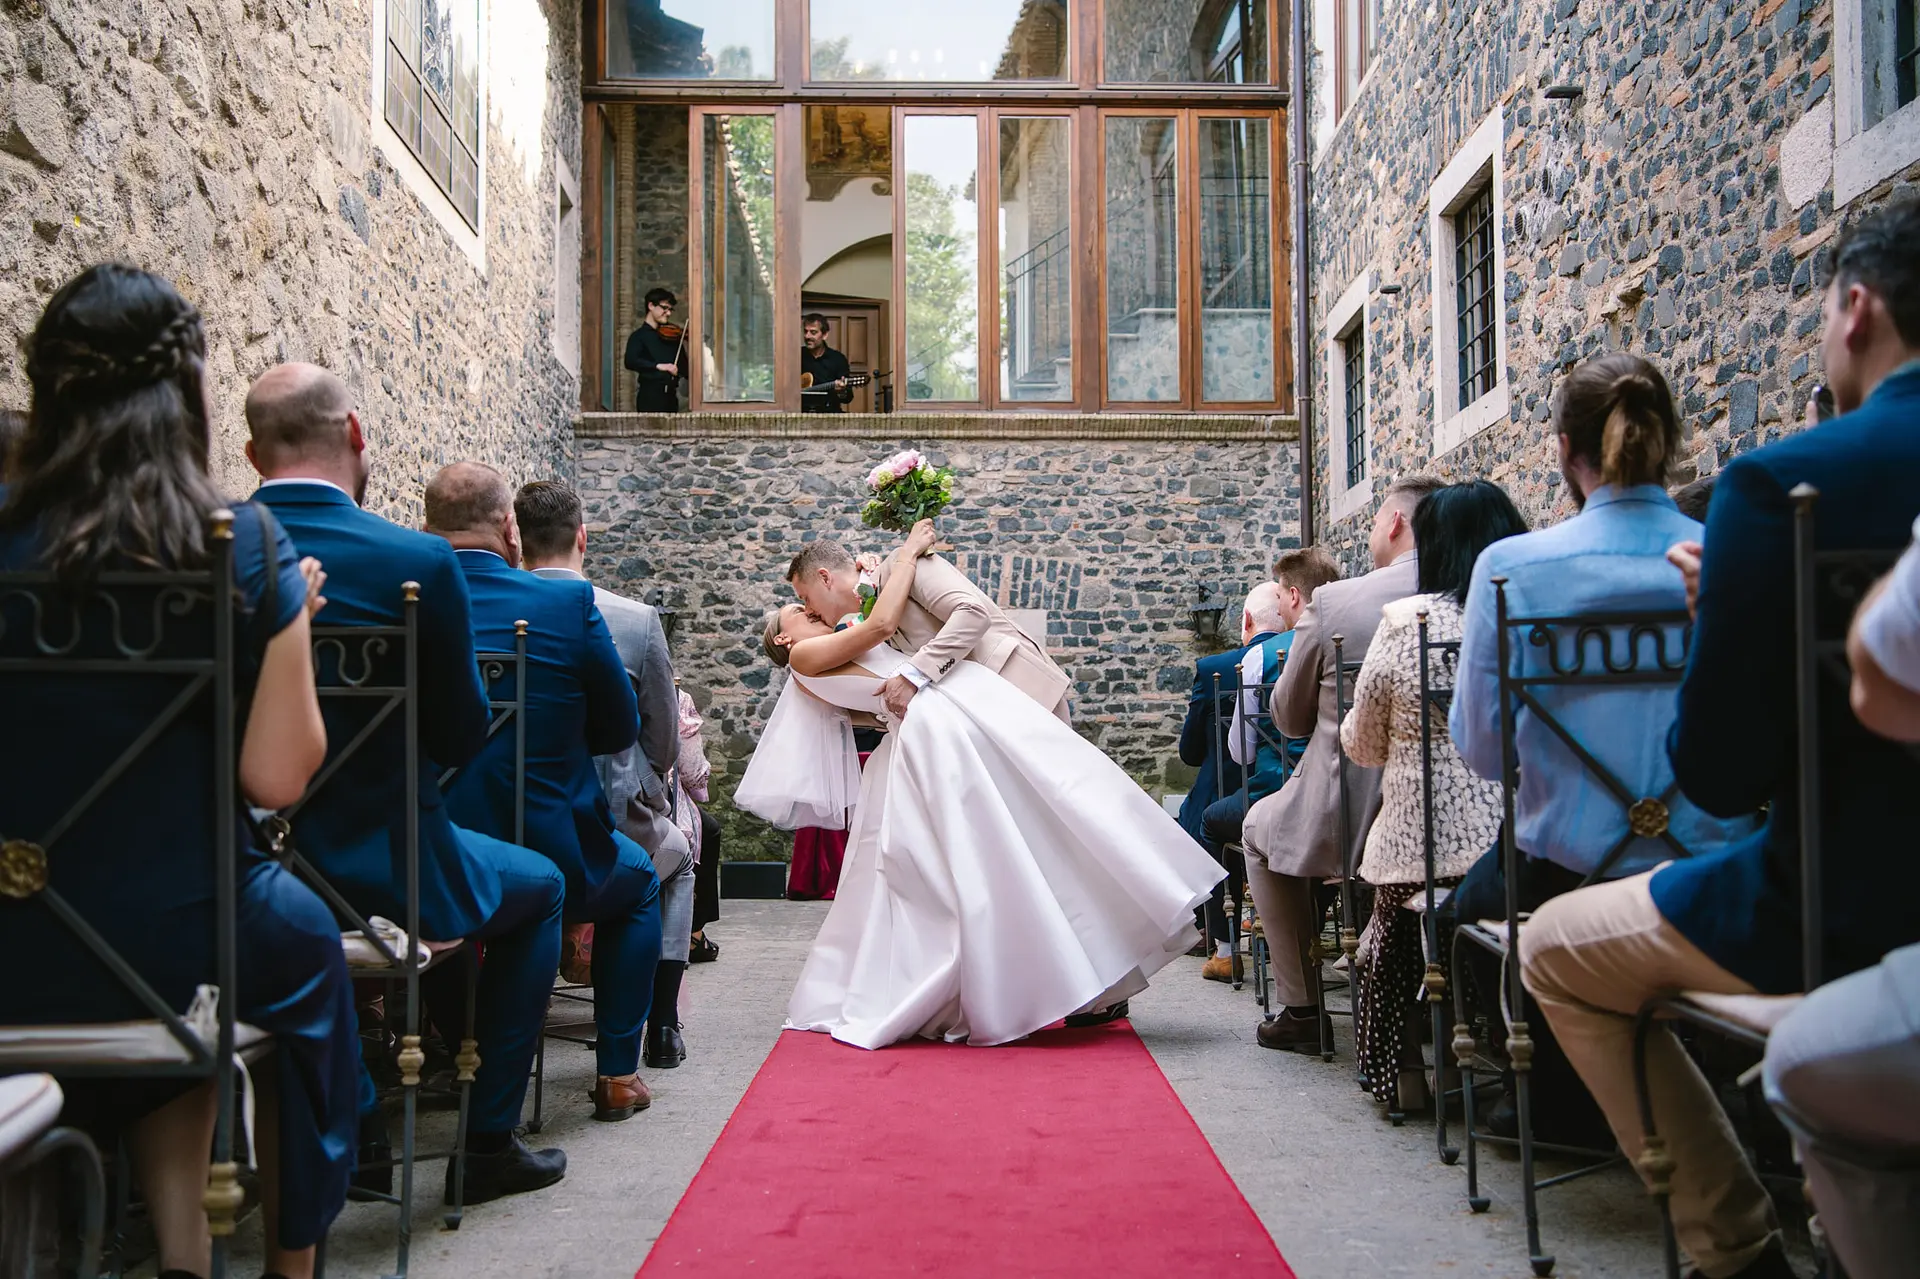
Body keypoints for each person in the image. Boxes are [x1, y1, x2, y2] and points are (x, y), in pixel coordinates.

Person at [1522, 204, 1920, 1279]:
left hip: (1841, 901)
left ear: (1856, 307)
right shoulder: (1717, 515)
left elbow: (1724, 771)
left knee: (1550, 947)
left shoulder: (1777, 493)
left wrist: (1720, 629)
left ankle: (1734, 1249)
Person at [0, 266, 356, 1279]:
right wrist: (288, 624)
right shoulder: (238, 543)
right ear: (188, 393)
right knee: (309, 968)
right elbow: (279, 778)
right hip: (182, 931)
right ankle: (292, 1264)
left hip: (14, 933)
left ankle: (179, 1250)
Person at [244, 363, 568, 1205]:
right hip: (395, 866)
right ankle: (488, 1135)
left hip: (246, 868)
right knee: (543, 886)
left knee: (298, 916)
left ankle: (351, 1120)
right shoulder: (416, 560)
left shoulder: (213, 547)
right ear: (356, 435)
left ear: (249, 451)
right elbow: (465, 731)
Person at [744, 521, 1225, 1049]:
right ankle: (1012, 980)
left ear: (821, 575)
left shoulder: (853, 621)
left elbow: (914, 638)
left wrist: (901, 568)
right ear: (785, 638)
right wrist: (905, 551)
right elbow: (882, 628)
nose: (808, 610)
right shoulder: (807, 655)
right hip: (939, 731)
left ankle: (1077, 967)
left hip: (960, 714)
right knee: (995, 858)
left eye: (803, 599)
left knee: (1046, 831)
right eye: (797, 611)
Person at [430, 463, 666, 1124]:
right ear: (509, 528)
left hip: (431, 841)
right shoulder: (562, 605)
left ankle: (463, 1048)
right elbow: (621, 727)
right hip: (548, 840)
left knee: (440, 901)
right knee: (641, 879)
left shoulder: (407, 597)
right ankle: (618, 1071)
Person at [1758, 528, 1920, 1279]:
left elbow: (1879, 683)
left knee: (1801, 1055)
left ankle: (1737, 1245)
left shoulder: (1771, 495)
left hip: (1787, 887)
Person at [1339, 481, 1527, 1111]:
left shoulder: (1410, 624)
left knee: (1384, 940)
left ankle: (1400, 1079)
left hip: (1423, 844)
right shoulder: (1528, 617)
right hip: (1517, 841)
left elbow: (1362, 746)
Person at [1240, 475, 1438, 1052]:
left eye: (1377, 518)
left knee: (1257, 830)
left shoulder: (1337, 602)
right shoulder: (1472, 592)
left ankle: (1303, 1008)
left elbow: (1290, 719)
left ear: (1396, 522)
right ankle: (1428, 993)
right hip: (1449, 818)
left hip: (1349, 813)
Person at [514, 479, 696, 1071]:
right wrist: (649, 789)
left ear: (517, 541)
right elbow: (663, 737)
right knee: (680, 856)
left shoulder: (487, 605)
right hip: (607, 825)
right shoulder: (635, 620)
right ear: (582, 538)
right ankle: (660, 1027)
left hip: (504, 823)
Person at [623, 287, 684, 412]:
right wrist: (658, 366)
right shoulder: (638, 336)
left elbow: (684, 367)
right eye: (665, 308)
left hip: (671, 398)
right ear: (651, 306)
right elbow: (630, 360)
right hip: (649, 397)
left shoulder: (673, 337)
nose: (668, 313)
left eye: (670, 309)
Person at [800, 313, 854, 414]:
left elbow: (848, 398)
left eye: (813, 332)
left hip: (829, 414)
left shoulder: (838, 359)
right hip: (800, 414)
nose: (807, 336)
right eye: (805, 331)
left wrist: (841, 391)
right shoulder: (796, 356)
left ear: (825, 335)